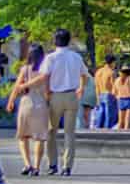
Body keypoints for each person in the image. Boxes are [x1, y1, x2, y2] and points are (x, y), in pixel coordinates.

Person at [41, 29, 89, 176]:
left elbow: (45, 76)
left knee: (51, 131)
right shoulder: (76, 57)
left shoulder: (51, 58)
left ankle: (52, 163)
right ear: (69, 41)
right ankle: (67, 166)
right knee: (69, 133)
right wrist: (81, 88)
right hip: (71, 95)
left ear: (55, 41)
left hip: (55, 95)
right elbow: (85, 74)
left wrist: (46, 92)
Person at [7, 44, 50, 175]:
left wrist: (11, 101)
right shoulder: (45, 71)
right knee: (39, 137)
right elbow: (48, 90)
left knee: (23, 136)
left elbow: (17, 86)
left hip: (26, 102)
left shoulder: (25, 69)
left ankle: (27, 164)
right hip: (41, 104)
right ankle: (36, 166)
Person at [92, 55, 116, 131]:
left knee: (100, 112)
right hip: (109, 93)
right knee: (109, 114)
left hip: (100, 93)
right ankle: (107, 130)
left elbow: (96, 86)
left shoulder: (98, 72)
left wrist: (97, 96)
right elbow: (113, 85)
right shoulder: (111, 72)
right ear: (112, 63)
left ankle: (98, 128)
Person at [114, 65, 130, 129]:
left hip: (121, 100)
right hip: (129, 99)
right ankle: (126, 136)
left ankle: (117, 136)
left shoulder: (117, 80)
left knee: (120, 121)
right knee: (127, 120)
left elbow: (114, 92)